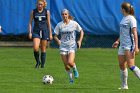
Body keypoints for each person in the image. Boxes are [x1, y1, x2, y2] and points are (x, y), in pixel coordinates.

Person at [112, 2, 140, 89]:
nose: (120, 9)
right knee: (121, 64)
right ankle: (124, 86)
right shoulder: (124, 18)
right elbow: (122, 33)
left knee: (131, 65)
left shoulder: (131, 19)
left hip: (129, 45)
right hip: (122, 45)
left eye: (121, 8)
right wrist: (117, 41)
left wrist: (136, 47)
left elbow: (135, 33)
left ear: (123, 9)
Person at [54, 9, 84, 84]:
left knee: (70, 62)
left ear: (68, 15)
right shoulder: (59, 25)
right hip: (63, 46)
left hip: (72, 46)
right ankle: (71, 79)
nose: (64, 16)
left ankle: (74, 68)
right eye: (63, 14)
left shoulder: (74, 23)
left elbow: (81, 31)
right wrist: (58, 41)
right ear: (61, 15)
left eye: (65, 14)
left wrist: (80, 41)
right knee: (66, 66)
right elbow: (55, 36)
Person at [28, 0, 52, 68]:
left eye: (41, 4)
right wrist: (30, 32)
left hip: (44, 31)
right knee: (36, 48)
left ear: (44, 4)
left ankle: (42, 65)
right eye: (38, 4)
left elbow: (49, 24)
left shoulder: (47, 12)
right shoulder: (33, 11)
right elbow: (30, 23)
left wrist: (50, 34)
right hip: (36, 31)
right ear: (37, 4)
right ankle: (38, 62)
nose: (40, 6)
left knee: (43, 48)